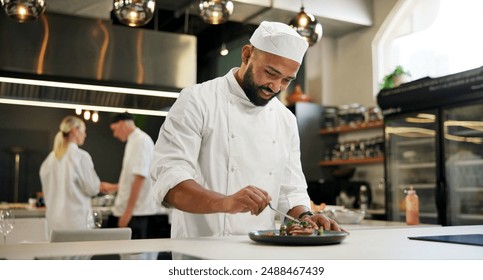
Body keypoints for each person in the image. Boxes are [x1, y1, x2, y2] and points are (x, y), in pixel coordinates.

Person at [151, 21, 344, 239]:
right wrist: (227, 202)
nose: (276, 87)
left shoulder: (285, 119)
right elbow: (170, 179)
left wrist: (305, 216)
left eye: (287, 80)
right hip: (201, 248)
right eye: (271, 73)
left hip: (262, 248)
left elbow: (290, 190)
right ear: (246, 55)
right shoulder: (197, 100)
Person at [39, 116, 102, 233]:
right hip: (77, 225)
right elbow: (93, 188)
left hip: (54, 225)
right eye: (84, 131)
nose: (85, 135)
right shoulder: (81, 157)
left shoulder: (48, 161)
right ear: (75, 131)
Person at [101, 112, 158, 240]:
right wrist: (115, 187)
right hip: (133, 212)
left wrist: (127, 213)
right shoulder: (133, 141)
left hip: (136, 214)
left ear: (121, 124)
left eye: (114, 129)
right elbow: (133, 180)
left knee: (134, 258)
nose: (114, 134)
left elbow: (140, 178)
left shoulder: (141, 141)